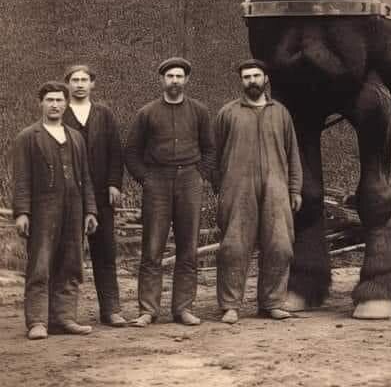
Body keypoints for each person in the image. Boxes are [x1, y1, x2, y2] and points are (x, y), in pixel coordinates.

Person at [124, 57, 214, 327]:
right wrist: (146, 179)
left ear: (186, 80)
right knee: (152, 248)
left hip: (189, 179)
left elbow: (210, 150)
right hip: (157, 181)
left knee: (188, 247)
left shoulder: (199, 111)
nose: (174, 80)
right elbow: (131, 152)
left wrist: (201, 175)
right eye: (169, 76)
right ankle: (148, 310)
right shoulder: (147, 113)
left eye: (179, 76)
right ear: (161, 79)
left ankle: (183, 308)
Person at [214, 58, 302, 323]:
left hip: (276, 187)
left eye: (256, 76)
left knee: (280, 246)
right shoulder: (228, 113)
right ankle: (230, 305)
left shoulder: (281, 113)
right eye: (246, 77)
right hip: (237, 187)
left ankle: (272, 302)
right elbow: (215, 155)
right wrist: (222, 188)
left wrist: (295, 189)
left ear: (266, 79)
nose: (251, 81)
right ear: (241, 82)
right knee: (234, 247)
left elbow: (293, 154)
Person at [13, 81, 99, 340]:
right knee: (40, 264)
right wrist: (22, 213)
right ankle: (37, 322)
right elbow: (21, 179)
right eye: (50, 100)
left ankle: (65, 318)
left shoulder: (75, 138)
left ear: (66, 103)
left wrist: (90, 210)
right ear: (41, 103)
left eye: (60, 100)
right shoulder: (28, 137)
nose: (55, 105)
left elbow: (85, 176)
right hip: (43, 210)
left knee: (71, 262)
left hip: (74, 209)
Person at [63, 64, 127, 327]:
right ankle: (65, 313)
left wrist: (114, 184)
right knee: (67, 254)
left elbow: (116, 152)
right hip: (69, 195)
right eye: (74, 80)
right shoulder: (60, 113)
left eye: (84, 80)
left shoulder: (104, 114)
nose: (79, 84)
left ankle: (111, 310)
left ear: (93, 85)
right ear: (67, 85)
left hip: (101, 194)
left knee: (105, 252)